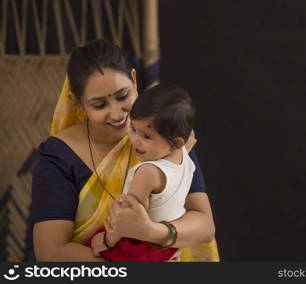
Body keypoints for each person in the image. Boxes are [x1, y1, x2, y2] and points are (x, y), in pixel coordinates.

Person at [31, 39, 220, 262]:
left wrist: (151, 233)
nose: (117, 114)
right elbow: (51, 252)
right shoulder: (59, 155)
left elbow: (204, 225)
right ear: (78, 103)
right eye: (99, 105)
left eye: (123, 96)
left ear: (133, 79)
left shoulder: (164, 134)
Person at [87, 83, 197, 261]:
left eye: (146, 136)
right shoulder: (183, 154)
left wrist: (106, 241)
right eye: (133, 128)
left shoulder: (148, 173)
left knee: (86, 248)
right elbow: (189, 135)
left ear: (176, 143)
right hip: (168, 244)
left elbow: (126, 218)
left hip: (140, 248)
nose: (134, 140)